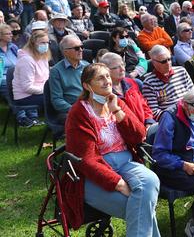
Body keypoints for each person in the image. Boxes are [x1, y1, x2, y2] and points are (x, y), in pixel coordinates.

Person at [63, 63, 160, 236]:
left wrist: (117, 111)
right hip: (92, 174)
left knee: (150, 180)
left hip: (125, 162)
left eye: (108, 76)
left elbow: (138, 137)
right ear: (87, 85)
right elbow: (86, 159)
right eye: (100, 78)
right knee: (142, 207)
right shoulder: (78, 113)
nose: (107, 81)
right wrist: (117, 182)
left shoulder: (117, 102)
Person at [152, 88, 194, 236]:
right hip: (173, 168)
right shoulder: (169, 117)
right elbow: (159, 154)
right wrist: (182, 165)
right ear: (185, 105)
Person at [99, 53, 155, 127]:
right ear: (106, 71)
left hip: (145, 127)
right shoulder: (104, 93)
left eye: (122, 65)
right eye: (116, 67)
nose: (122, 69)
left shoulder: (133, 82)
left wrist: (149, 122)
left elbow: (144, 106)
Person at [48, 35, 89, 134]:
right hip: (70, 109)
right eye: (76, 48)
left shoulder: (87, 66)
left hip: (90, 105)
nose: (80, 50)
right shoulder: (56, 71)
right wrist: (76, 110)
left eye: (81, 47)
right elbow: (57, 100)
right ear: (65, 52)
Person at [142, 45, 194, 120]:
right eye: (163, 61)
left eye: (169, 59)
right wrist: (179, 114)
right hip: (172, 120)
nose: (168, 63)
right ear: (154, 63)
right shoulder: (149, 83)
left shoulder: (181, 71)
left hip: (191, 111)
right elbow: (154, 112)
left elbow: (193, 94)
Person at [12, 31, 49, 127]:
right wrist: (47, 90)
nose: (45, 45)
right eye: (42, 43)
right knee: (54, 98)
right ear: (33, 44)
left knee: (59, 95)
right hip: (24, 96)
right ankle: (56, 125)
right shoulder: (26, 60)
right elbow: (27, 87)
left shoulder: (43, 57)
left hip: (38, 92)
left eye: (47, 42)